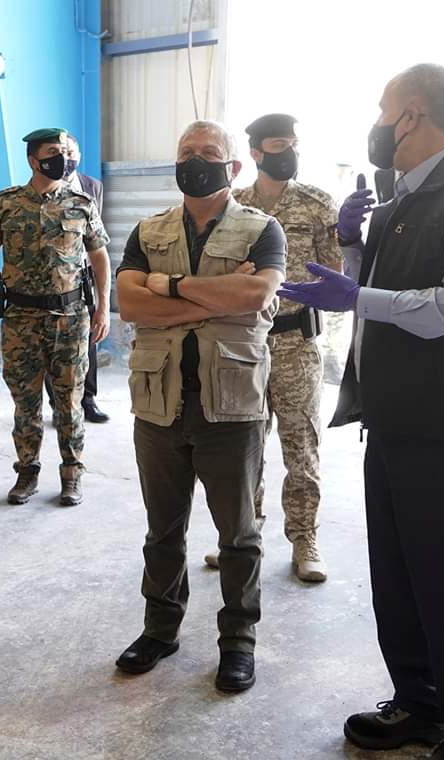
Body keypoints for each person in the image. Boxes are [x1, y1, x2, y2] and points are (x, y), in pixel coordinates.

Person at [279, 64, 444, 759]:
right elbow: (390, 290)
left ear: (413, 115)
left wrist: (357, 297)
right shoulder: (399, 199)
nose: (379, 123)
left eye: (384, 109)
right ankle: (421, 705)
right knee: (400, 578)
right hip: (395, 417)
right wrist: (355, 248)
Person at [114, 120, 285, 693]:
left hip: (230, 407)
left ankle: (238, 641)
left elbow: (256, 294)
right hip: (159, 403)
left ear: (233, 167)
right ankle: (160, 630)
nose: (195, 160)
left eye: (208, 153)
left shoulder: (262, 230)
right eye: (186, 152)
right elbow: (129, 305)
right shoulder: (149, 230)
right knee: (162, 531)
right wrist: (212, 299)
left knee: (238, 534)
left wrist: (166, 286)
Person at [202, 113, 340, 582]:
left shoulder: (317, 204)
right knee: (243, 447)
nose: (290, 152)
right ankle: (243, 534)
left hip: (296, 342)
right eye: (280, 144)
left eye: (294, 143)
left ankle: (305, 540)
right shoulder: (233, 205)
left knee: (301, 446)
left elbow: (337, 274)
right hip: (244, 340)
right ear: (257, 153)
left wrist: (352, 239)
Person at [0, 127, 111, 506]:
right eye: (53, 152)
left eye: (65, 151)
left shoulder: (81, 203)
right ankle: (27, 473)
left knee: (70, 402)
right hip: (21, 319)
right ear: (33, 160)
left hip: (70, 318)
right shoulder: (6, 204)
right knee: (25, 404)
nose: (62, 158)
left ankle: (72, 474)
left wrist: (102, 307)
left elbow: (100, 258)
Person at [44, 133, 109, 423]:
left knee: (90, 335)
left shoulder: (93, 186)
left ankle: (88, 398)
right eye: (61, 152)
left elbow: (97, 233)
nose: (66, 158)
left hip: (86, 273)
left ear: (79, 156)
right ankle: (57, 401)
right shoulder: (46, 188)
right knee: (53, 338)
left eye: (71, 152)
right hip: (57, 276)